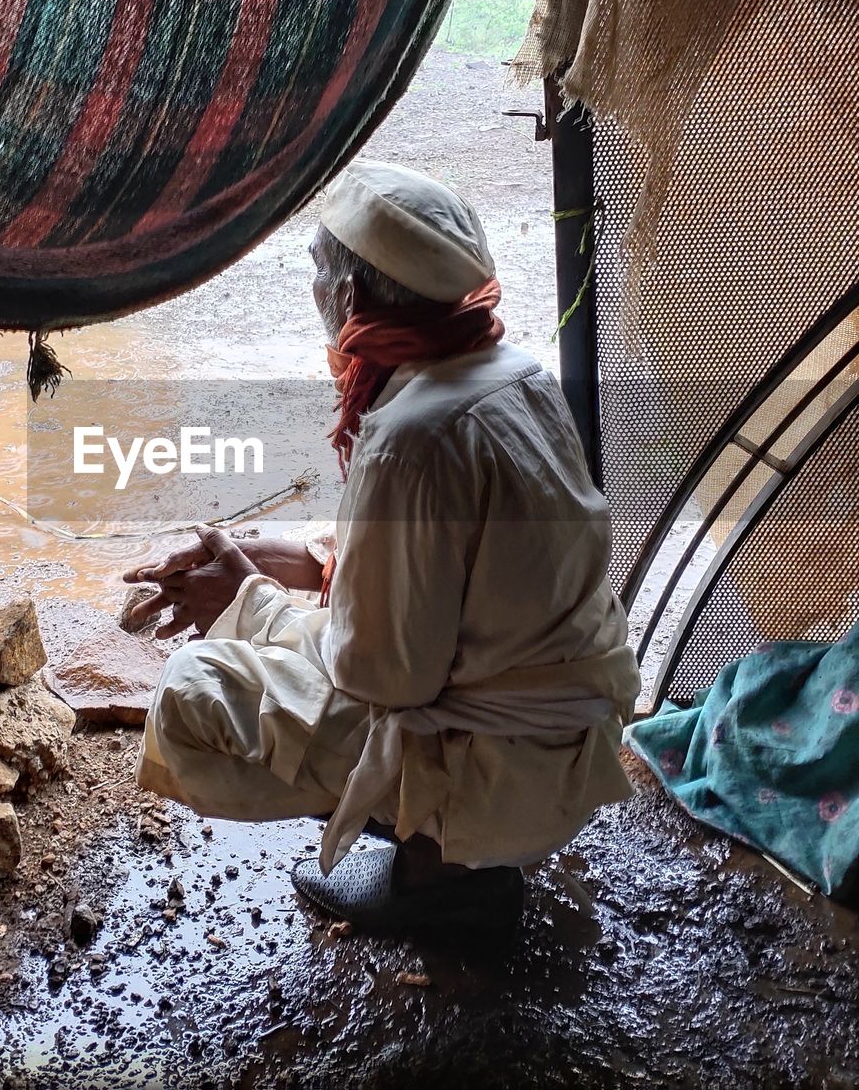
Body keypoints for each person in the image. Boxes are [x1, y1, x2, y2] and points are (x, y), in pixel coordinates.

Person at [122, 159, 640, 935]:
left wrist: (247, 604)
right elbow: (465, 578)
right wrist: (305, 561)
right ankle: (457, 853)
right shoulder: (516, 375)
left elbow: (385, 678)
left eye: (317, 269)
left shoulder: (408, 436)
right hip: (570, 752)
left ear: (350, 296)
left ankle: (441, 872)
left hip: (499, 776)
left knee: (192, 690)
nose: (314, 290)